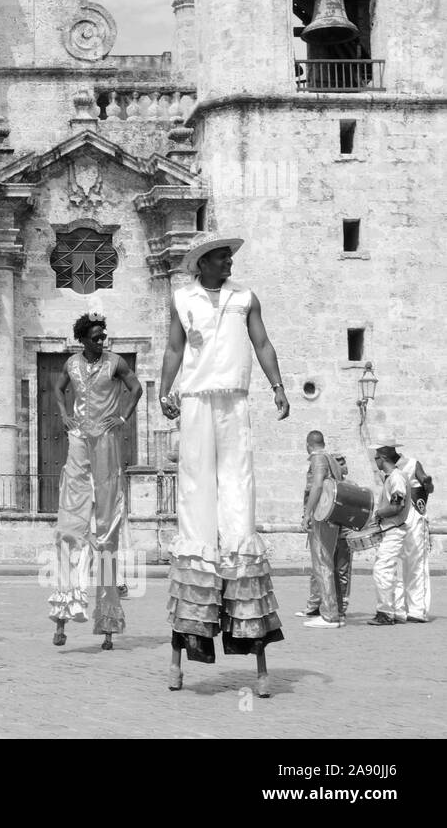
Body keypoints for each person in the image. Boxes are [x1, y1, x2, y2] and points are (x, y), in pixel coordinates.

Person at [158, 235, 288, 697]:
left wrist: (277, 385)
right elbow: (174, 350)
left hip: (233, 399)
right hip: (195, 400)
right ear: (202, 264)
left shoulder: (244, 297)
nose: (229, 261)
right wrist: (163, 389)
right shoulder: (182, 298)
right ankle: (185, 644)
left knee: (238, 498)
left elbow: (262, 342)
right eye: (221, 257)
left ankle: (249, 624)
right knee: (196, 499)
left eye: (229, 257)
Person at [49, 311, 142, 651]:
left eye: (104, 336)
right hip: (78, 444)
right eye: (96, 337)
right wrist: (61, 413)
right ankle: (63, 612)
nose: (102, 341)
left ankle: (108, 621)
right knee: (70, 528)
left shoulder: (115, 362)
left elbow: (136, 388)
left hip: (106, 443)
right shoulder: (71, 365)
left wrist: (121, 417)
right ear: (82, 339)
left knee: (105, 530)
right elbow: (58, 389)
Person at [297, 431, 347, 628]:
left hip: (321, 516)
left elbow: (317, 485)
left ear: (308, 444)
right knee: (327, 563)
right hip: (332, 516)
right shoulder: (332, 460)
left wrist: (307, 514)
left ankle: (328, 615)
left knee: (322, 564)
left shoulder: (318, 459)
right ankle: (334, 611)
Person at [367, 445, 421, 625]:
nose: (375, 462)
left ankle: (385, 612)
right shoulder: (394, 477)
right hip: (394, 529)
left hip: (393, 530)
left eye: (376, 458)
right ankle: (398, 611)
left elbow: (396, 506)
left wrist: (379, 513)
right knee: (392, 572)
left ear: (383, 458)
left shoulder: (396, 478)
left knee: (381, 571)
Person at [395, 447, 433, 623]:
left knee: (417, 562)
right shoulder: (384, 468)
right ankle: (399, 608)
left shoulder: (412, 464)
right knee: (398, 564)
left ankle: (418, 609)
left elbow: (427, 485)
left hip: (414, 517)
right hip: (397, 517)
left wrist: (426, 481)